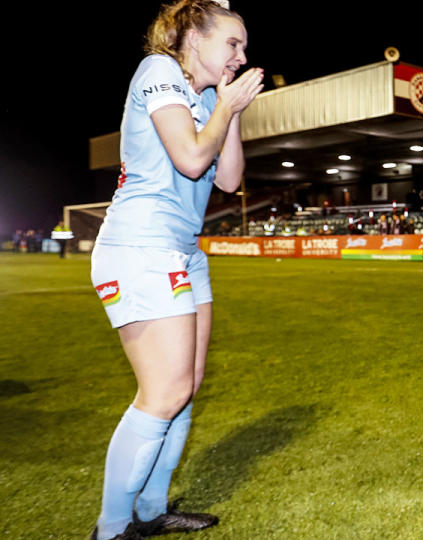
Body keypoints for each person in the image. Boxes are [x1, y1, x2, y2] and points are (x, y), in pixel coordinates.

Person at [89, 2, 263, 538]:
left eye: (244, 47)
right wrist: (221, 107)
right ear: (194, 38)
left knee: (186, 385)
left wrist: (227, 108)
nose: (241, 55)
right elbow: (190, 158)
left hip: (182, 248)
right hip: (139, 244)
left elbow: (229, 178)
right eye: (232, 44)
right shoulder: (159, 71)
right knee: (163, 392)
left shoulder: (211, 97)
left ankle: (150, 510)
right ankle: (112, 527)